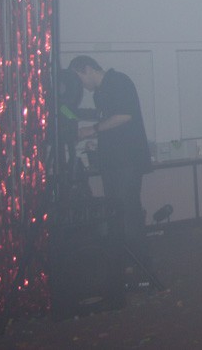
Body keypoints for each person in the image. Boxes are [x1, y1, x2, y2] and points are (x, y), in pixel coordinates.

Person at [68, 55, 153, 272]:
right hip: (114, 161)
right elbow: (109, 122)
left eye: (79, 79)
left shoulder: (119, 81)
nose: (80, 86)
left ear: (87, 69)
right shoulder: (100, 94)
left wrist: (92, 130)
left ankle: (142, 266)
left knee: (128, 212)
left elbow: (125, 115)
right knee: (116, 212)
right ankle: (125, 262)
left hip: (127, 160)